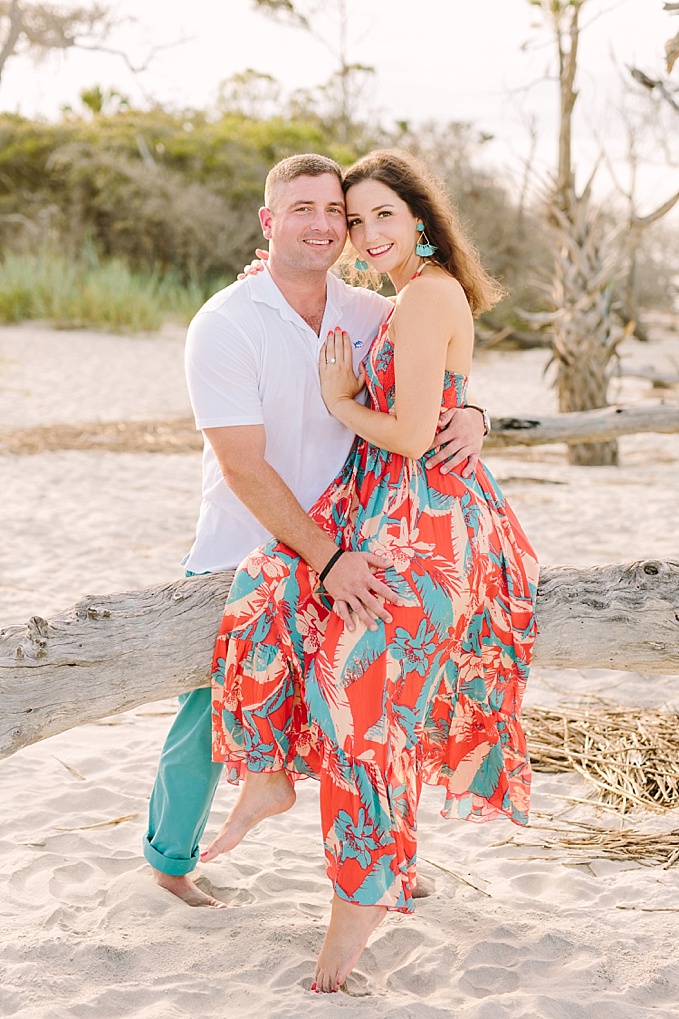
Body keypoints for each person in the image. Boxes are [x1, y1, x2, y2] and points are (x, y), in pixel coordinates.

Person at [203, 149, 539, 992]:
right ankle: (270, 775)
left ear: (421, 217)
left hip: (429, 522)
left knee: (365, 713)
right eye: (355, 221)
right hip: (379, 508)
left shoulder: (425, 294)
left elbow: (415, 432)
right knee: (267, 583)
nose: (364, 232)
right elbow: (434, 384)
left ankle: (352, 921)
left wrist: (343, 402)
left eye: (382, 214)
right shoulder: (395, 299)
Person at [142, 152, 487, 908]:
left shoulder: (366, 313)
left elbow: (431, 370)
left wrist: (471, 413)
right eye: (305, 208)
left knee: (372, 703)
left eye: (338, 211)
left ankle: (384, 854)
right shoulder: (226, 322)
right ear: (269, 222)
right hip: (249, 541)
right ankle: (169, 858)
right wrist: (324, 556)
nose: (327, 224)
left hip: (354, 542)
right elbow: (241, 465)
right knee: (211, 710)